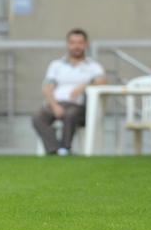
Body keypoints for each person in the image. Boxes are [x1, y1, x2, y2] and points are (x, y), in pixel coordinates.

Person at [31, 28, 107, 156]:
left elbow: (103, 82)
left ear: (86, 44)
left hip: (79, 107)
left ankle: (65, 148)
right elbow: (48, 88)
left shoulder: (93, 67)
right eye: (73, 43)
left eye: (80, 43)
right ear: (68, 44)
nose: (76, 46)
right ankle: (55, 149)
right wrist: (55, 106)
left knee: (70, 114)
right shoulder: (56, 65)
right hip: (57, 103)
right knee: (38, 117)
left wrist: (84, 86)